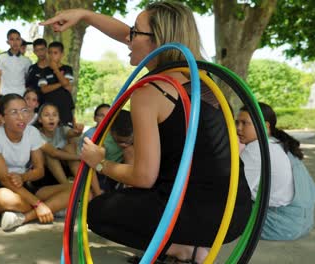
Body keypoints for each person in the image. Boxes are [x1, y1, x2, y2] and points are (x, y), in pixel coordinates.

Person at [42, 2, 252, 263]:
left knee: (97, 211)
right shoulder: (204, 81)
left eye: (134, 32)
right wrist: (85, 15)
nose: (127, 38)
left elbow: (143, 177)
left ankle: (180, 247)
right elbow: (135, 36)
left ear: (159, 41)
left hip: (198, 216)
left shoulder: (151, 92)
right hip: (236, 212)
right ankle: (189, 247)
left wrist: (100, 163)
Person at [0, 94, 72, 231]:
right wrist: (38, 204)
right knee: (3, 197)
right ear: (1, 117)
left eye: (24, 111)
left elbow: (39, 170)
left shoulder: (32, 132)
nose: (21, 116)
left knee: (75, 189)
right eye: (14, 112)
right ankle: (51, 208)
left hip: (25, 185)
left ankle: (24, 217)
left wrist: (23, 177)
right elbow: (4, 179)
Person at [237, 102, 315, 241]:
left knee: (213, 209)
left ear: (266, 125)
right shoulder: (278, 143)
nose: (238, 128)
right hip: (301, 222)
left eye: (245, 123)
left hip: (279, 225)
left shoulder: (257, 148)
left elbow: (234, 191)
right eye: (237, 122)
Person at [36, 103, 83, 184]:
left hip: (66, 166)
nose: (51, 118)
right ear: (40, 119)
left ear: (58, 119)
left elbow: (72, 133)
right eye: (47, 115)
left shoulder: (61, 129)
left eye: (54, 115)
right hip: (47, 172)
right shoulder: (36, 135)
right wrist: (79, 157)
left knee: (70, 147)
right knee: (49, 155)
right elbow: (54, 153)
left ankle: (81, 183)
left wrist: (78, 131)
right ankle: (66, 186)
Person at [38, 41, 75, 126]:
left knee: (65, 132)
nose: (52, 56)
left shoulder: (67, 69)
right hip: (49, 109)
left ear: (62, 54)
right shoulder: (44, 71)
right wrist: (61, 83)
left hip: (65, 107)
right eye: (50, 53)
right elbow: (44, 89)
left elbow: (67, 85)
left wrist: (56, 69)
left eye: (55, 53)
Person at [0, 29, 32, 96]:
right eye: (12, 39)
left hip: (21, 95)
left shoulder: (27, 61)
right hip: (4, 94)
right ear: (7, 42)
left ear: (20, 41)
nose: (15, 42)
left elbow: (28, 80)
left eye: (17, 39)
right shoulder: (1, 57)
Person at [26, 38, 48, 103]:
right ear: (34, 52)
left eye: (42, 49)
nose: (40, 53)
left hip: (52, 105)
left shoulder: (54, 68)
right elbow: (28, 87)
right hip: (36, 105)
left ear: (46, 49)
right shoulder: (32, 69)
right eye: (37, 50)